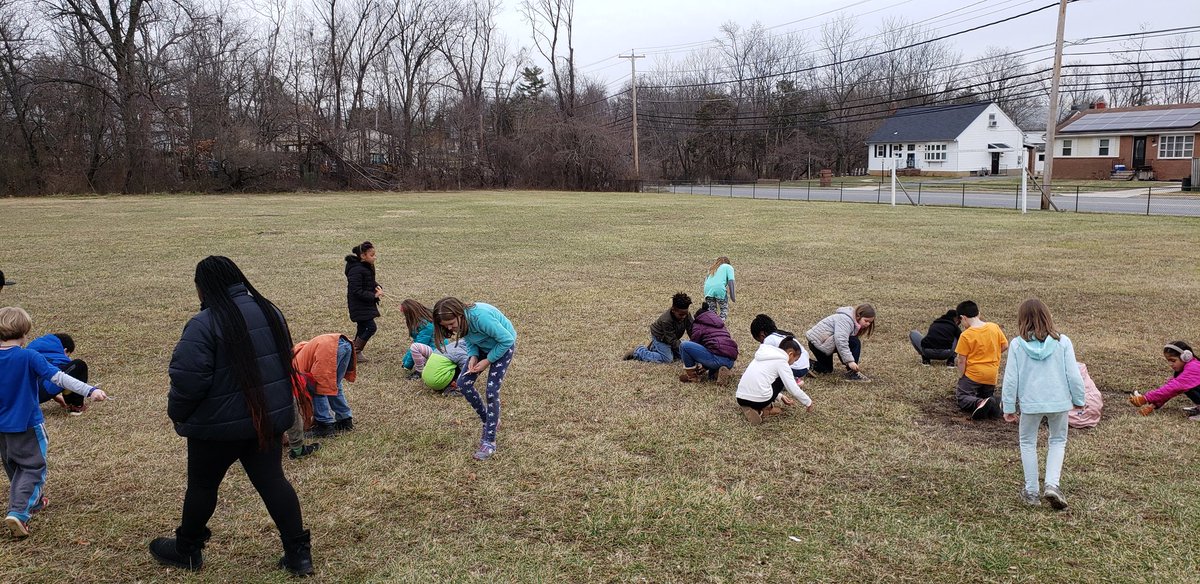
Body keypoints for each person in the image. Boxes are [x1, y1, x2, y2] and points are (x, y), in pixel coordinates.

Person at [150, 256, 312, 576]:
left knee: (202, 486)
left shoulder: (204, 323)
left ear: (203, 287)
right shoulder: (270, 310)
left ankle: (188, 549)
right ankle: (299, 556)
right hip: (264, 422)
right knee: (273, 482)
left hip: (216, 429)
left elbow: (188, 380)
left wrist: (177, 414)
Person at [0, 307, 107, 538]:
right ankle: (18, 513)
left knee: (15, 466)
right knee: (32, 467)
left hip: (2, 428)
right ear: (24, 332)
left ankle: (33, 501)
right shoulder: (28, 356)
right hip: (27, 424)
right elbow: (60, 377)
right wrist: (90, 390)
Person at [1001, 298, 1086, 510]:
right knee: (1057, 440)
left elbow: (1011, 378)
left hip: (1030, 403)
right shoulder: (1063, 342)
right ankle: (1052, 484)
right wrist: (1079, 400)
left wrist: (1009, 407)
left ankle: (1031, 491)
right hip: (1059, 402)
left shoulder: (1017, 344)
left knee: (1027, 442)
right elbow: (1073, 375)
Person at [432, 297, 516, 461]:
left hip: (502, 346)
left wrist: (487, 360)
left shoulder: (480, 317)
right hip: (483, 349)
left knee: (491, 392)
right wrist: (473, 356)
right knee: (463, 384)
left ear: (460, 314)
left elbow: (507, 339)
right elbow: (470, 340)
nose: (450, 328)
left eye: (451, 324)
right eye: (446, 326)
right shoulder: (459, 323)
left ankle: (489, 441)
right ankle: (489, 420)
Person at [735, 334, 814, 425]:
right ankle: (766, 409)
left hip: (740, 397)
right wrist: (808, 402)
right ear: (790, 354)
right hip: (759, 400)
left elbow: (762, 381)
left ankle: (749, 408)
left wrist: (780, 396)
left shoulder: (763, 354)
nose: (793, 363)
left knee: (769, 381)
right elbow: (793, 388)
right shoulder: (782, 362)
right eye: (795, 360)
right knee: (781, 380)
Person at [292, 333, 357, 438]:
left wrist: (307, 423)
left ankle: (325, 425)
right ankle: (345, 420)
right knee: (334, 384)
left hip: (329, 348)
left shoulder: (294, 367)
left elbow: (305, 397)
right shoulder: (301, 351)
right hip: (345, 344)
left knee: (317, 386)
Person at [953, 300, 1007, 420]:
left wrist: (961, 375)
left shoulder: (966, 335)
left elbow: (962, 360)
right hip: (991, 375)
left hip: (974, 374)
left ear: (963, 318)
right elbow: (1005, 346)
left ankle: (979, 403)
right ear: (978, 313)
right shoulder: (994, 327)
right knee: (987, 396)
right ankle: (993, 403)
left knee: (962, 396)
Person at [1128, 341, 1200, 419]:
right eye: (1168, 361)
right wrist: (1153, 405)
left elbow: (1174, 387)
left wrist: (1146, 398)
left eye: (1173, 360)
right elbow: (1170, 391)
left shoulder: (1194, 368)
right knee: (1187, 387)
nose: (1170, 364)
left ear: (1186, 357)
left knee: (1189, 387)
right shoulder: (1186, 369)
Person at [804, 304, 875, 382]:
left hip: (821, 343)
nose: (868, 324)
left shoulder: (851, 320)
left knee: (826, 369)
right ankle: (852, 373)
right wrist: (850, 362)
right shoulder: (846, 320)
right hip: (820, 343)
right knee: (854, 342)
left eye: (870, 322)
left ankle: (805, 364)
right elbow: (841, 341)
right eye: (866, 321)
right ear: (858, 315)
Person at [750, 314, 810, 405]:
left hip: (794, 367)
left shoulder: (768, 340)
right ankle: (794, 377)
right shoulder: (781, 334)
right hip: (804, 364)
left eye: (759, 341)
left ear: (762, 335)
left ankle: (792, 380)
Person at [28, 333, 92, 415]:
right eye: (68, 355)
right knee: (78, 365)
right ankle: (76, 405)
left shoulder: (32, 349)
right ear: (65, 350)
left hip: (22, 396)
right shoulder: (58, 357)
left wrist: (55, 396)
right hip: (40, 392)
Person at [623, 292, 694, 363]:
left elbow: (692, 330)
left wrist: (696, 344)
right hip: (661, 339)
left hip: (673, 339)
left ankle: (657, 349)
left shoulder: (686, 315)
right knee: (667, 359)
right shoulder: (666, 320)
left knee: (685, 355)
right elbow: (671, 340)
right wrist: (685, 348)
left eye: (685, 314)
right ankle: (639, 351)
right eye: (681, 315)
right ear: (673, 310)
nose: (684, 317)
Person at [679, 303, 739, 385]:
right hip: (730, 361)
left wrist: (694, 366)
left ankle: (692, 377)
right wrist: (705, 367)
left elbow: (695, 345)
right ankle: (719, 373)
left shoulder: (698, 324)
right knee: (710, 377)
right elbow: (713, 346)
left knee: (684, 346)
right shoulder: (720, 324)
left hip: (717, 359)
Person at [345, 241, 382, 363]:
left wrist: (377, 287)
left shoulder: (365, 267)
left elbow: (369, 282)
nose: (375, 257)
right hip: (359, 305)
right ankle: (353, 353)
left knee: (362, 328)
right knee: (370, 327)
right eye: (372, 255)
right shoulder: (356, 270)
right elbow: (356, 290)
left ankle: (354, 353)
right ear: (363, 256)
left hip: (365, 304)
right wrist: (373, 295)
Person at [401, 299, 437, 378]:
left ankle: (419, 371)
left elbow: (419, 343)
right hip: (432, 348)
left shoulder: (426, 325)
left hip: (438, 351)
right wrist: (405, 360)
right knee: (416, 347)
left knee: (416, 347)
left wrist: (407, 364)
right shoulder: (421, 322)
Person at [702, 257, 735, 321]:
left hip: (708, 290)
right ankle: (720, 325)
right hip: (719, 289)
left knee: (711, 311)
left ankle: (712, 325)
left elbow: (706, 281)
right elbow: (731, 282)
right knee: (723, 310)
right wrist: (732, 296)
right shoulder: (729, 267)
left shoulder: (712, 268)